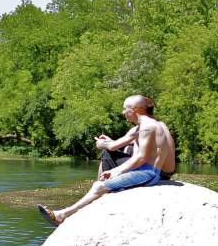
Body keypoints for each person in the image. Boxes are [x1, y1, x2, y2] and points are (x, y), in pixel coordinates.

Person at [38, 95, 176, 225]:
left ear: (134, 110)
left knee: (99, 186)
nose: (123, 112)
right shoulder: (145, 126)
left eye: (125, 109)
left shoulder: (147, 126)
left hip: (149, 173)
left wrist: (116, 171)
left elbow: (141, 157)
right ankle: (66, 212)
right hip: (145, 171)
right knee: (101, 185)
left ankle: (62, 215)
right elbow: (117, 146)